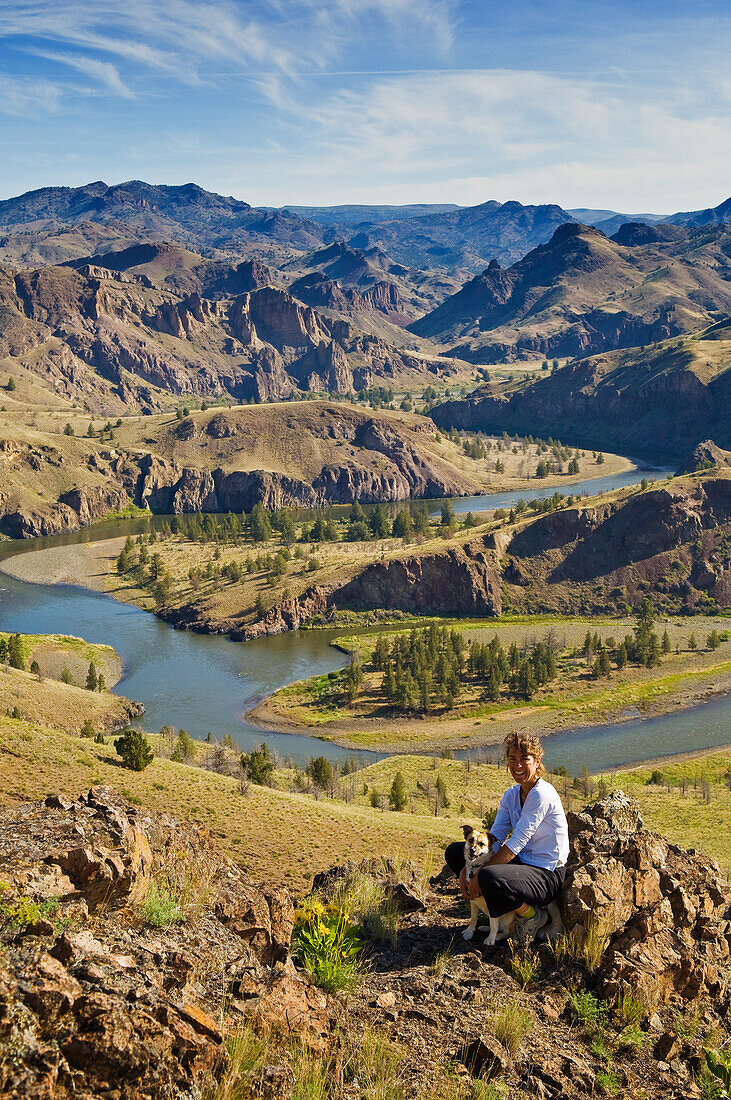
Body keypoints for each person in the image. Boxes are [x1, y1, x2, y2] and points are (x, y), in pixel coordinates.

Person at [445, 730, 569, 940]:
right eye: (512, 759)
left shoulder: (542, 794)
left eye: (524, 759)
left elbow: (517, 842)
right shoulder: (512, 794)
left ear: (537, 761)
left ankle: (532, 916)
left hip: (546, 874)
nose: (517, 765)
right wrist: (466, 869)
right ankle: (495, 910)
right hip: (522, 865)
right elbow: (494, 837)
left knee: (488, 875)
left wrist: (477, 874)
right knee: (457, 852)